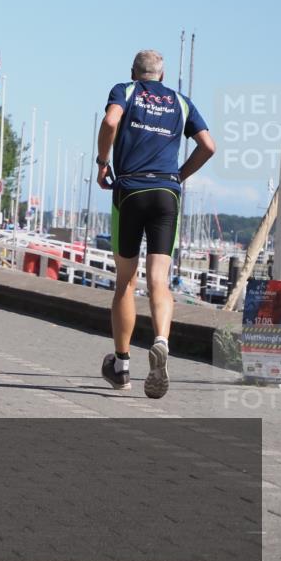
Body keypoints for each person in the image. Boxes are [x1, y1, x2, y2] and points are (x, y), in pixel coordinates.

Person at [96, 49, 215, 398]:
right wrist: (180, 175)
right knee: (159, 280)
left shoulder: (125, 91)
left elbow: (109, 122)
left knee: (126, 281)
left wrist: (103, 162)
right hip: (167, 192)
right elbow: (208, 145)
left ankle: (121, 365)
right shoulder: (181, 102)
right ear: (162, 76)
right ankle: (161, 340)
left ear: (134, 72)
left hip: (131, 189)